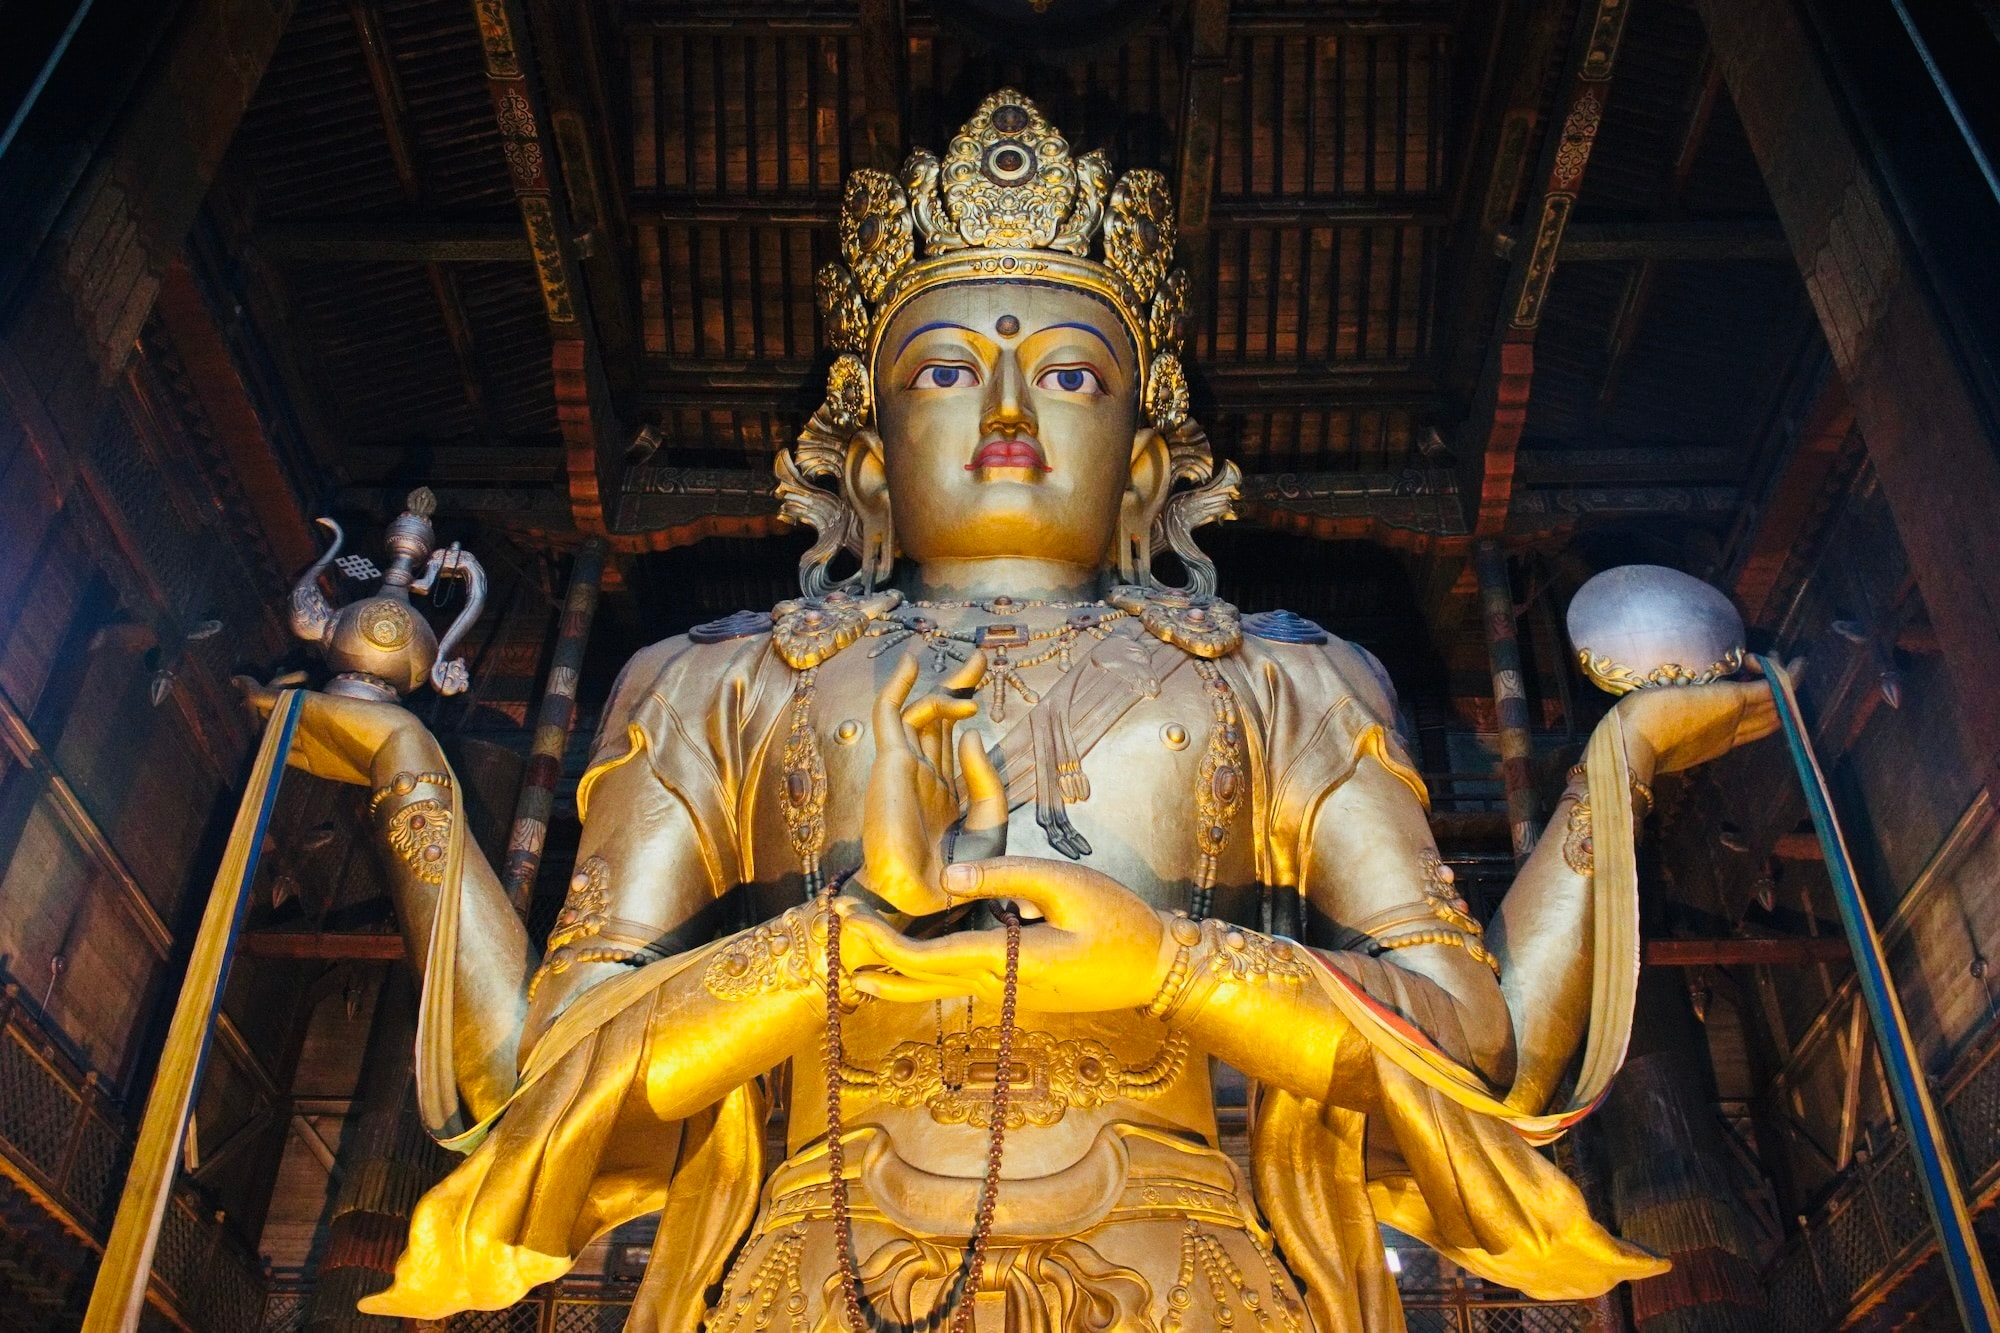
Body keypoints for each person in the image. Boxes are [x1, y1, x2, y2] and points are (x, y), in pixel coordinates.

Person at [243, 91, 1785, 1333]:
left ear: (1150, 442)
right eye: (939, 372)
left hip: (1196, 1279)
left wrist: (1181, 961)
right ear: (861, 437)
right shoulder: (715, 684)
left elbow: (1473, 1032)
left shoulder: (1279, 675)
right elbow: (551, 1058)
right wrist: (821, 946)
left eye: (1063, 374)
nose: (999, 425)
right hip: (813, 1272)